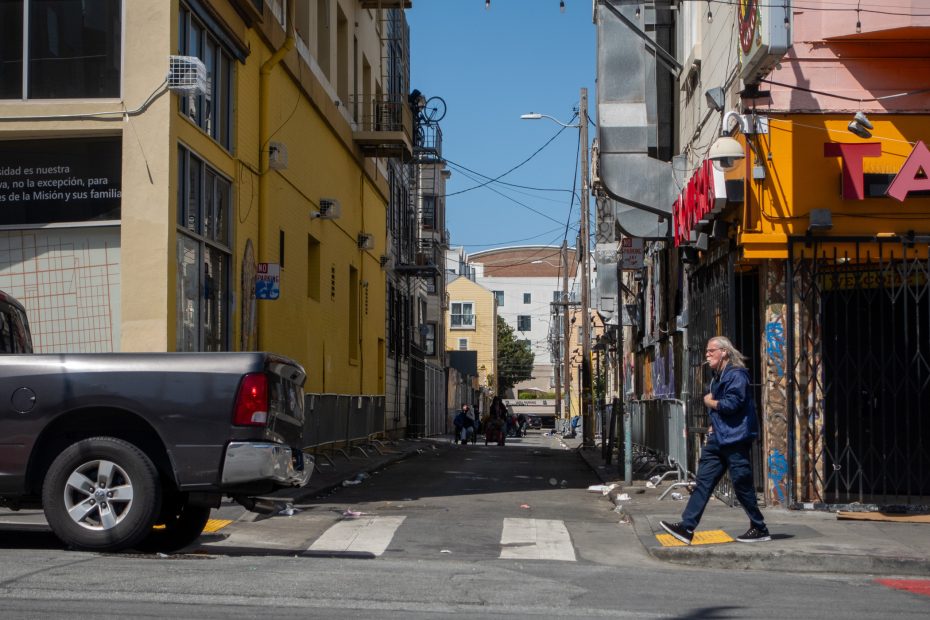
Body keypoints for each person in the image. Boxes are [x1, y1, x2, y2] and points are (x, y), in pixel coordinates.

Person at [659, 336, 771, 545]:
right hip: (719, 437)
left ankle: (759, 527)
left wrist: (709, 402)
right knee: (704, 481)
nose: (707, 354)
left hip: (735, 438)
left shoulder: (736, 375)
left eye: (711, 351)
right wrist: (713, 423)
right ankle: (686, 527)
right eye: (707, 351)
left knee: (741, 483)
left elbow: (731, 404)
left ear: (724, 352)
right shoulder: (718, 376)